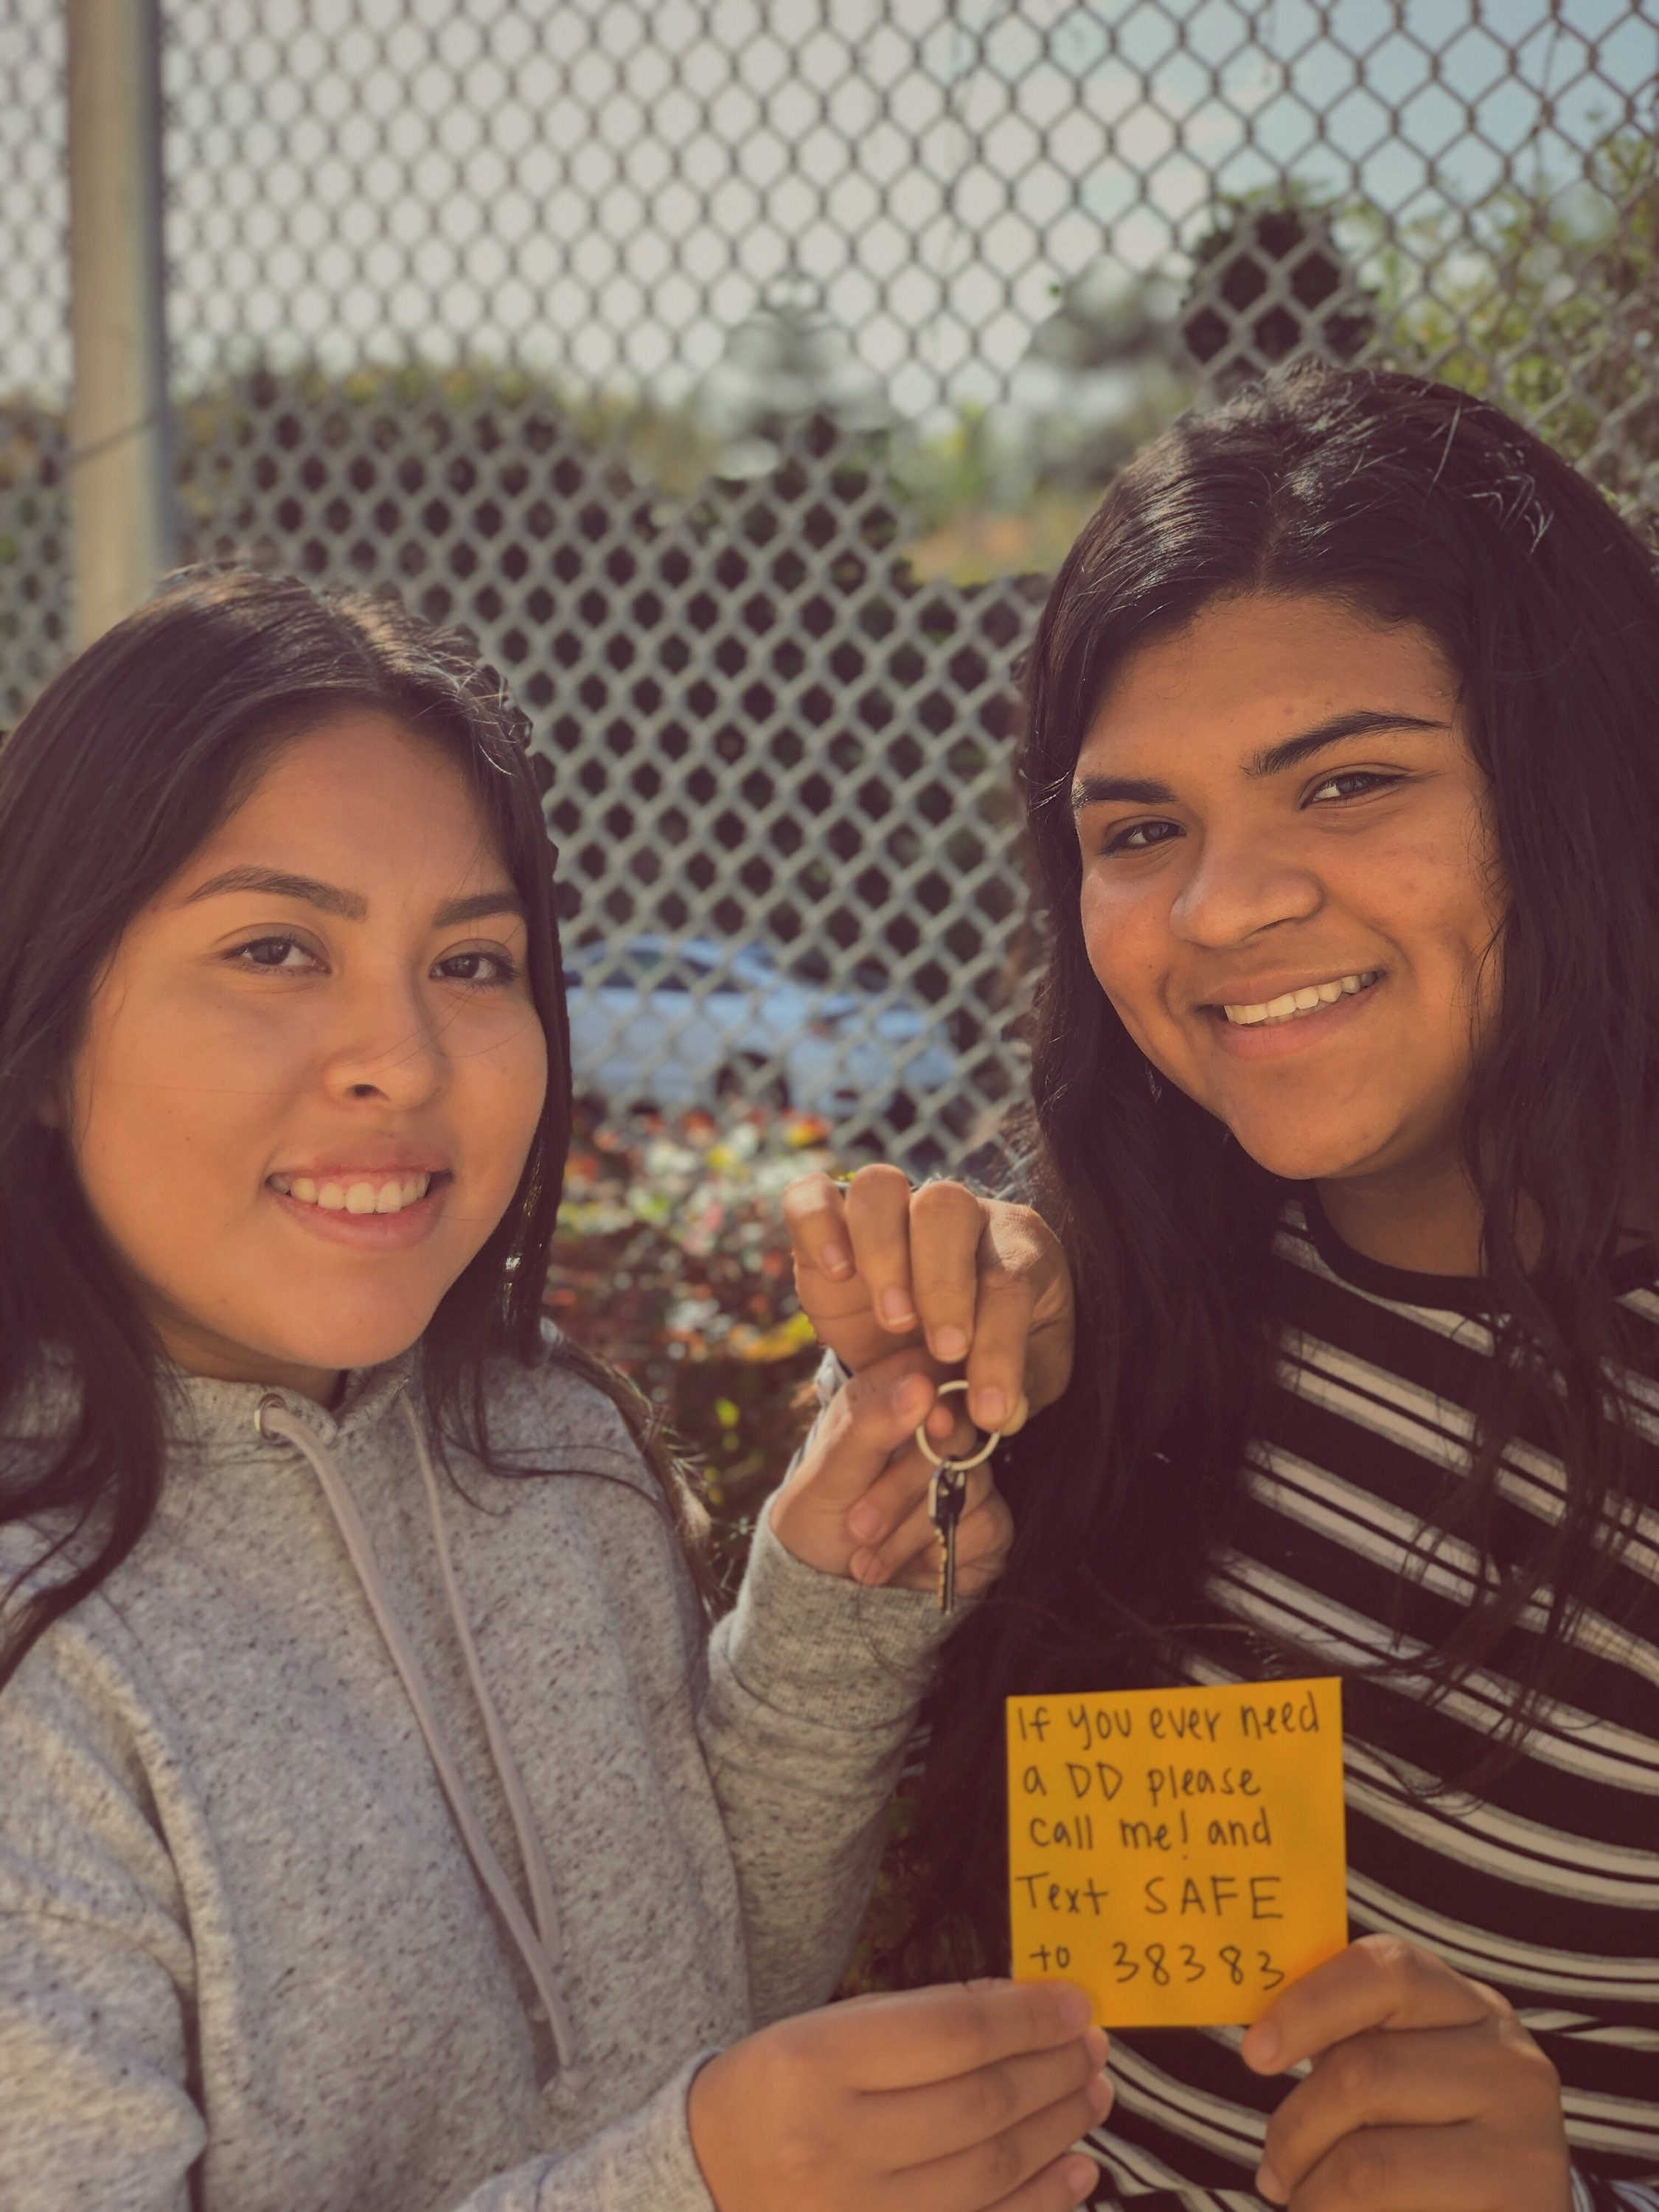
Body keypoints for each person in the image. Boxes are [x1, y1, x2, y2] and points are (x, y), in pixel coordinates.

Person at [0, 568, 1110, 2212]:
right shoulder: (39, 1645)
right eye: (276, 948)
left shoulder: (541, 1439)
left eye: (471, 961)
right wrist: (694, 2186)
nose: (402, 1057)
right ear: (39, 1029)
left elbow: (703, 1995)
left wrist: (831, 1608)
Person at [786, 365, 1659, 2212]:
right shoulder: (1119, 1302)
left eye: (1350, 783)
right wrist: (924, 1453)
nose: (1221, 908)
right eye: (1138, 831)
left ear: (1583, 789)